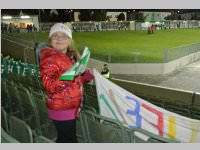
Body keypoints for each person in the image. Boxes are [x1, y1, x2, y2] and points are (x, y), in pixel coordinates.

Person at [39, 23, 94, 143]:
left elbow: (75, 80)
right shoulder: (49, 59)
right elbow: (50, 86)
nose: (59, 39)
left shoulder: (71, 57)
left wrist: (87, 75)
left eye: (64, 36)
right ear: (50, 40)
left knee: (65, 138)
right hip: (61, 108)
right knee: (69, 140)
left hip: (71, 105)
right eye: (55, 36)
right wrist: (69, 75)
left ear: (69, 40)